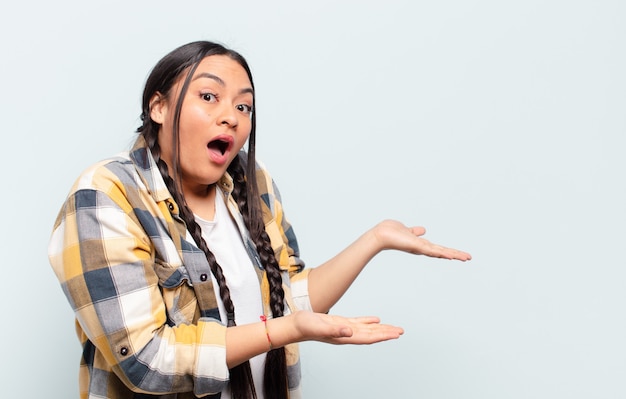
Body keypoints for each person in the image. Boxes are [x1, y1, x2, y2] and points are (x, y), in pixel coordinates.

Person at [48, 40, 471, 399]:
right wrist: (283, 331)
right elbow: (146, 360)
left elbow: (289, 299)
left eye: (244, 105)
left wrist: (375, 239)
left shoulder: (253, 180)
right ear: (158, 107)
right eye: (209, 96)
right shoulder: (106, 194)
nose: (231, 116)